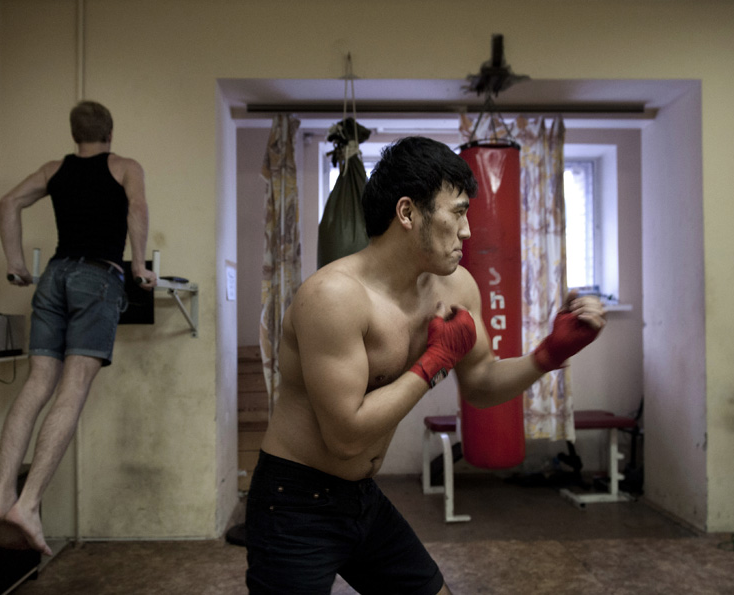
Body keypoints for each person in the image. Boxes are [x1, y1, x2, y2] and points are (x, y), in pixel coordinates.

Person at [245, 136, 606, 595]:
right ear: (408, 213)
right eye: (457, 212)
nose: (469, 230)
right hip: (294, 503)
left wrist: (548, 355)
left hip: (362, 498)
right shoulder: (334, 297)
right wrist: (436, 361)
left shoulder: (456, 288)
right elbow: (344, 436)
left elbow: (480, 384)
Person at [0, 101, 158, 556]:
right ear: (110, 133)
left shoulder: (53, 169)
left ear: (74, 134)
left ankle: (2, 495)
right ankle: (29, 504)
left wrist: (17, 264)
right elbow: (136, 208)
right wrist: (138, 265)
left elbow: (8, 203)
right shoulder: (124, 166)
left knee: (37, 383)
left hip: (55, 275)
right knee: (73, 386)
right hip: (97, 277)